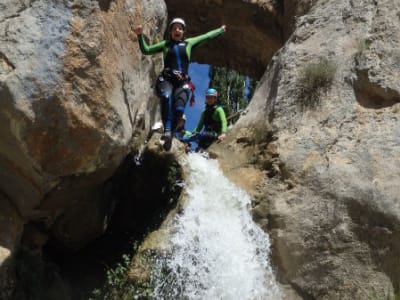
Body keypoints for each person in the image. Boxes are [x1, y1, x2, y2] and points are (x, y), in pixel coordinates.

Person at [132, 18, 227, 149]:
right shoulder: (166, 44)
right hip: (166, 79)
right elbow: (147, 50)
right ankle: (167, 131)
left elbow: (206, 37)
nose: (177, 30)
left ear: (183, 32)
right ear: (170, 31)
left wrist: (220, 30)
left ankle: (170, 136)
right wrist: (139, 35)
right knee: (166, 97)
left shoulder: (188, 43)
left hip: (182, 82)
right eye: (174, 28)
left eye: (180, 28)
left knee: (179, 109)